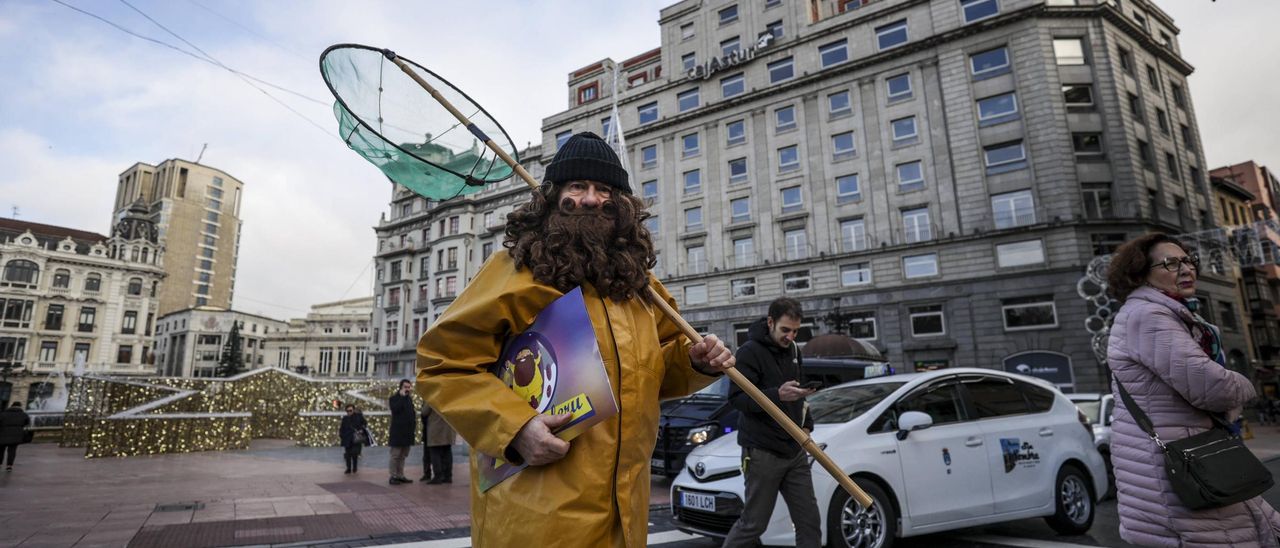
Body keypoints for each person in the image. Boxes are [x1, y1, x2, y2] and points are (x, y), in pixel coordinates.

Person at [416, 132, 735, 547]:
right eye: (578, 186)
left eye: (604, 189)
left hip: (624, 520)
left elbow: (651, 375)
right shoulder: (513, 272)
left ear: (621, 205)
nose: (590, 199)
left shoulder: (644, 288)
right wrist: (515, 428)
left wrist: (695, 362)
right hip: (537, 522)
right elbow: (443, 364)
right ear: (555, 197)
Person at [1106, 233, 1280, 546]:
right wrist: (1245, 383)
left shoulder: (1168, 314)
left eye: (1187, 260)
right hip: (1179, 466)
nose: (1186, 269)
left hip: (1190, 455)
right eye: (1171, 263)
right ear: (1140, 274)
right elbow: (1211, 387)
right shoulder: (1149, 316)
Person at [722, 297, 821, 547]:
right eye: (785, 330)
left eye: (796, 331)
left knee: (809, 521)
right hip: (762, 451)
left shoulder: (795, 351)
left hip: (794, 448)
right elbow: (736, 399)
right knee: (754, 524)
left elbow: (799, 393)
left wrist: (807, 424)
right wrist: (777, 394)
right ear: (770, 322)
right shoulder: (749, 352)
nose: (790, 336)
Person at [387, 379, 416, 485]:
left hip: (407, 432)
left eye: (409, 387)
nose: (407, 389)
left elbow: (412, 414)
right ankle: (393, 475)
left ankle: (400, 475)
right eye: (405, 387)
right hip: (397, 432)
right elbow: (395, 409)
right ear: (401, 387)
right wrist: (402, 397)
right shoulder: (394, 399)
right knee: (395, 455)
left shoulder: (409, 399)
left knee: (403, 455)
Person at [421, 404, 457, 484]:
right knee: (447, 452)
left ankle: (438, 476)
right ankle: (448, 476)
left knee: (435, 453)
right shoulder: (449, 396)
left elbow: (424, 412)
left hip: (436, 429)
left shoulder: (433, 396)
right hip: (448, 429)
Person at [0, 402, 30, 472]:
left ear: (11, 406)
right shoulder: (24, 415)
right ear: (20, 406)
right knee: (12, 451)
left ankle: (0, 464)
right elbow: (27, 423)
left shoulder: (3, 414)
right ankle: (9, 466)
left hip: (2, 434)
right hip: (16, 435)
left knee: (1, 450)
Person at [339, 404, 368, 474]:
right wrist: (342, 435)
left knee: (354, 453)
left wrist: (361, 430)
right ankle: (348, 468)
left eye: (350, 410)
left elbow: (365, 424)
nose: (349, 412)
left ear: (353, 410)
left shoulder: (358, 416)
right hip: (347, 438)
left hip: (356, 438)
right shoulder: (345, 418)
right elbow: (342, 428)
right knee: (348, 454)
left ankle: (354, 467)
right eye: (347, 411)